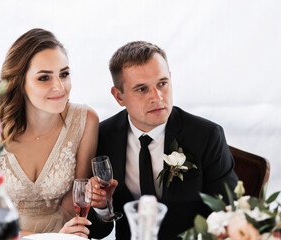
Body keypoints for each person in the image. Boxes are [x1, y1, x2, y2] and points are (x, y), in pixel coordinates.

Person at [88, 41, 238, 240]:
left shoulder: (207, 136)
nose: (157, 97)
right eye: (142, 89)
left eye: (162, 83)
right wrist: (101, 207)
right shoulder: (101, 137)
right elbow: (98, 232)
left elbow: (229, 215)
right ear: (119, 96)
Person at [0, 28, 98, 238]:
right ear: (19, 82)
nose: (59, 86)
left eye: (64, 74)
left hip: (62, 235)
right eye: (44, 78)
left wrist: (63, 235)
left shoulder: (86, 121)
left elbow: (73, 202)